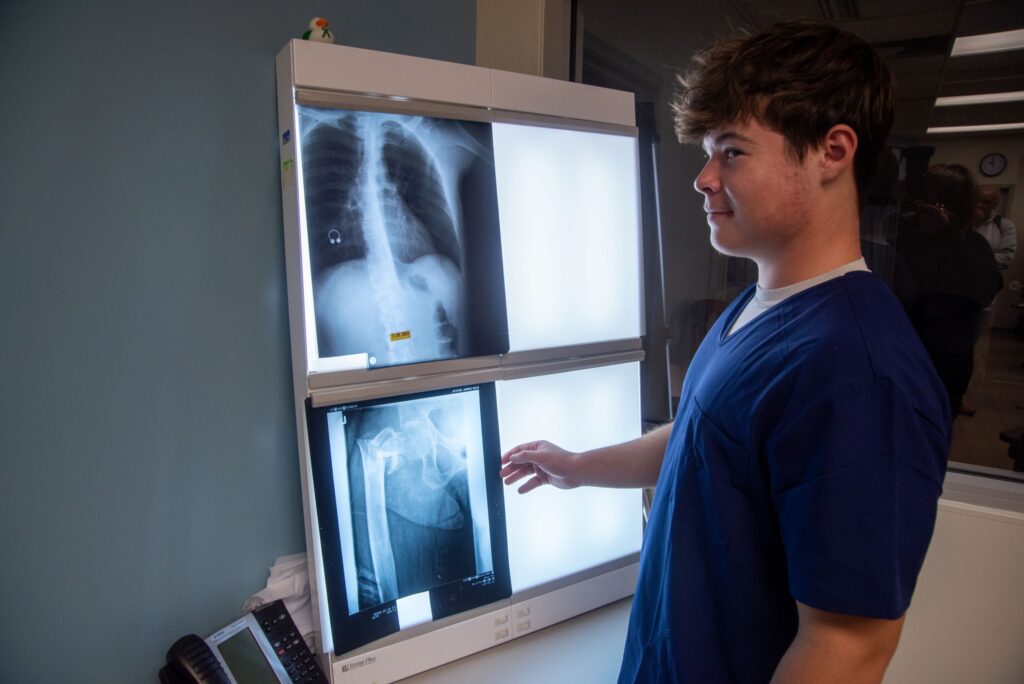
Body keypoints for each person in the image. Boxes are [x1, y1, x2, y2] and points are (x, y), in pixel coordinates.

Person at [500, 19, 951, 683]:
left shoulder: (857, 373)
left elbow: (848, 647)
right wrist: (577, 467)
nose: (704, 178)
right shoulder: (756, 307)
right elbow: (702, 442)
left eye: (732, 152)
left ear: (832, 151)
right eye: (708, 153)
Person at [893, 164, 1002, 418]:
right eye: (926, 200)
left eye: (941, 201)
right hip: (900, 349)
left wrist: (950, 236)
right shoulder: (903, 234)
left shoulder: (972, 246)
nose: (931, 208)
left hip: (944, 356)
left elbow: (982, 292)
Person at [973, 185, 1017, 271]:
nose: (979, 205)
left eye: (986, 202)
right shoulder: (965, 222)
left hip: (989, 276)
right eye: (977, 201)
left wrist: (975, 259)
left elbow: (1007, 257)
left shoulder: (1005, 225)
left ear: (995, 204)